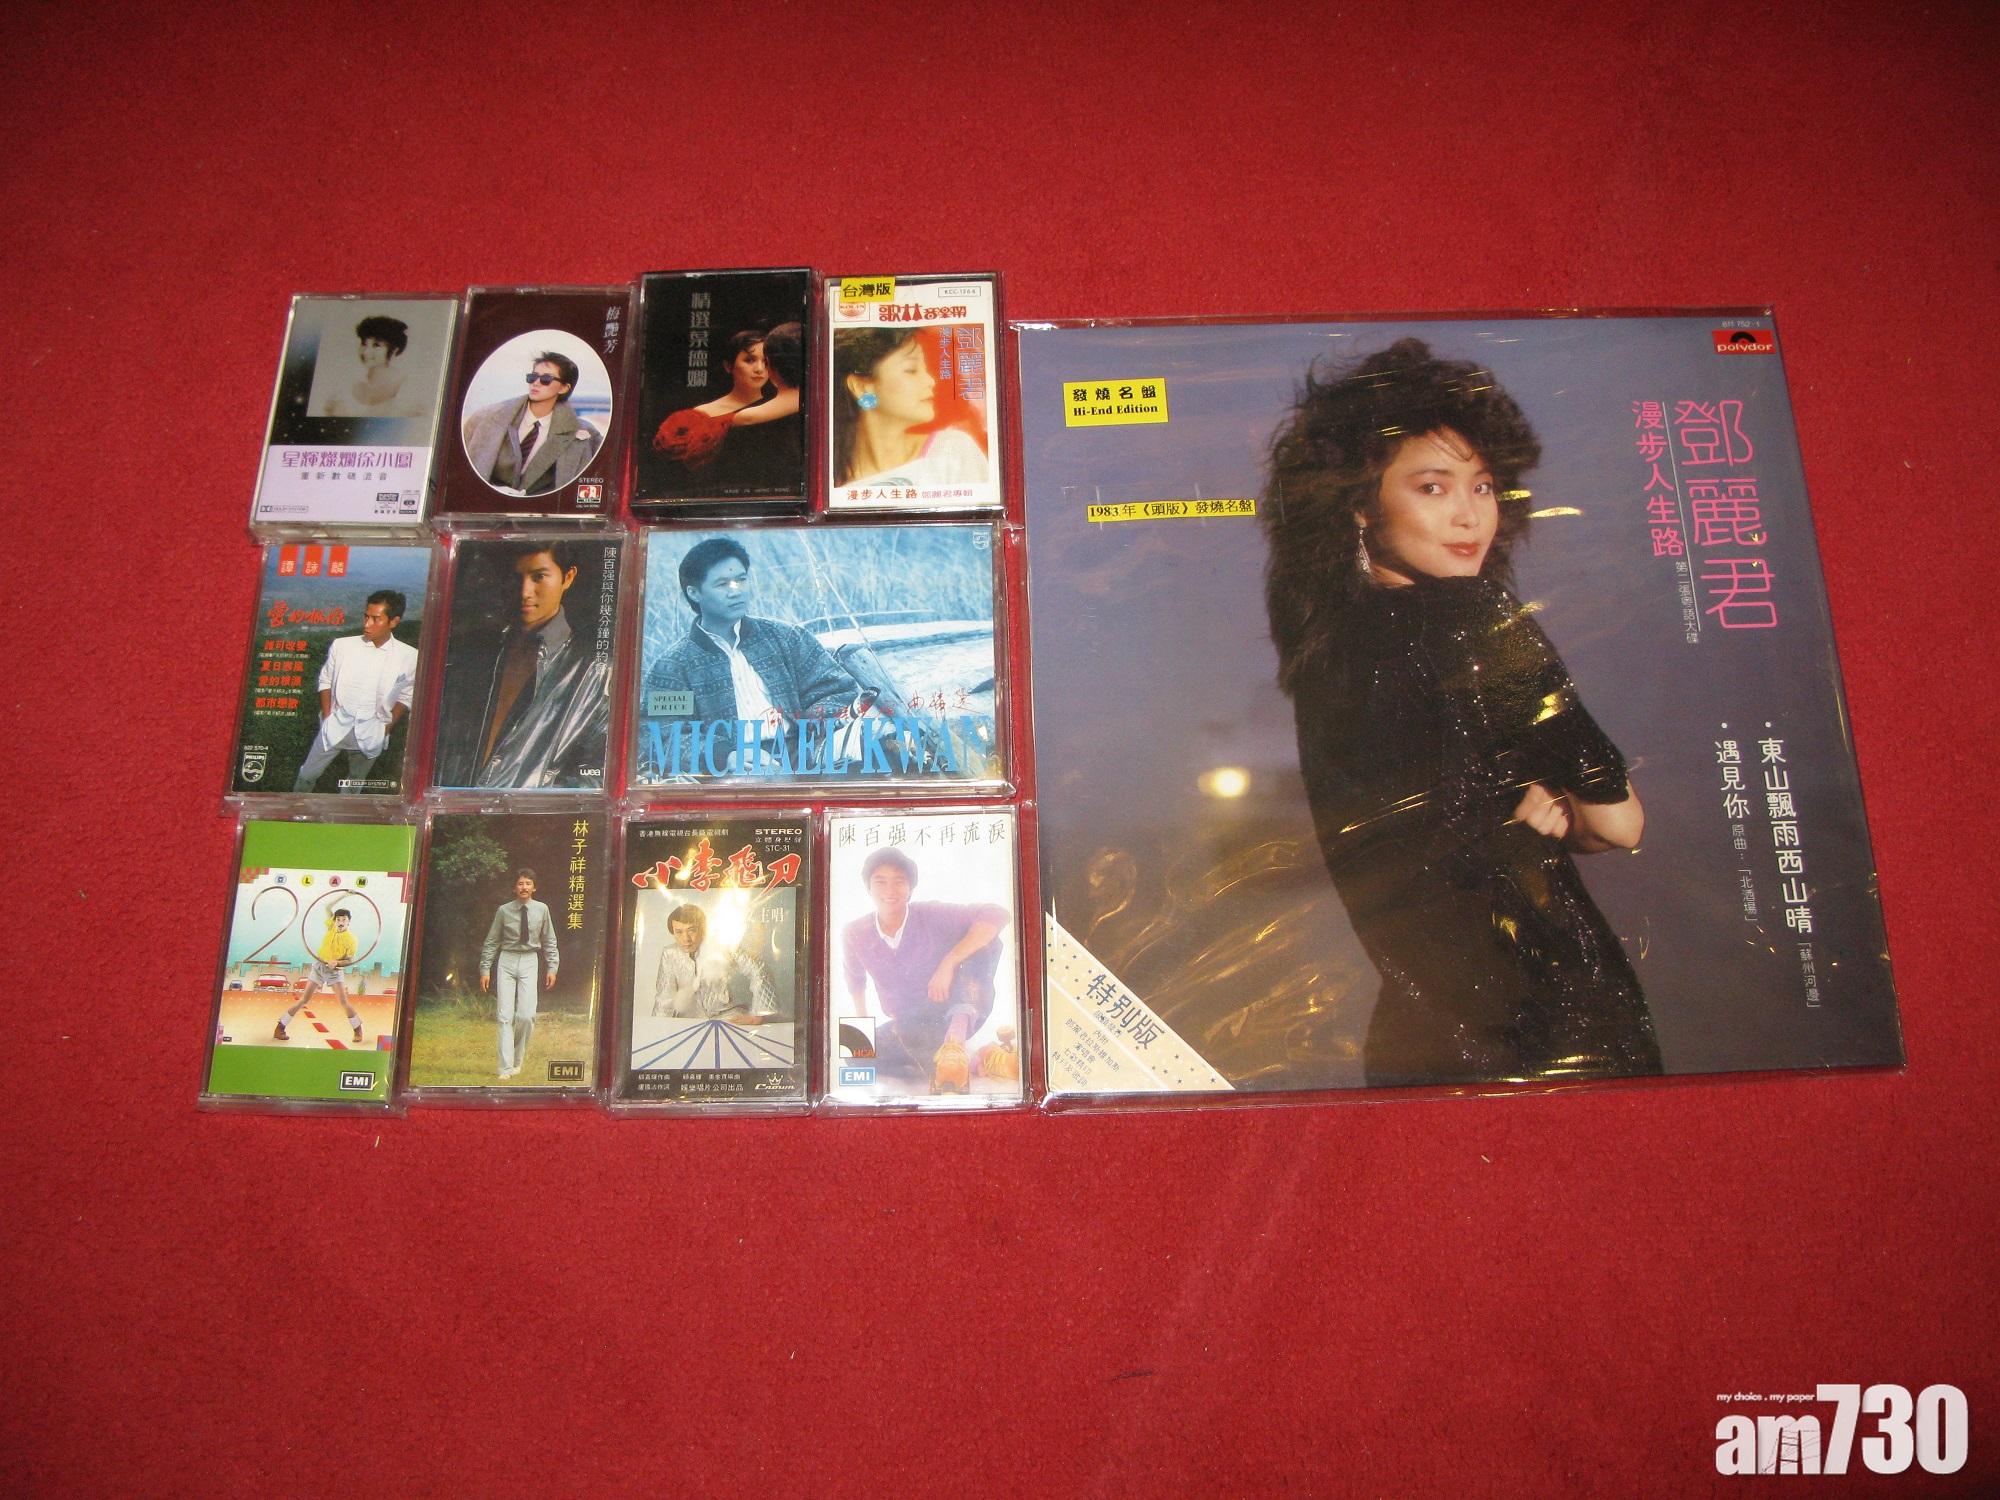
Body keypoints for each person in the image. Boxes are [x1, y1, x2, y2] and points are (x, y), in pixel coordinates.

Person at [1262, 337, 1661, 1086]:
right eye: (1433, 488)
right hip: (1550, 1019)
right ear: (1359, 503)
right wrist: (1559, 804)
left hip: (1418, 1038)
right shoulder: (1475, 619)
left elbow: (1431, 822)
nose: (1469, 515)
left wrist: (1522, 794)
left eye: (1482, 487)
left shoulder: (1325, 656)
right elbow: (1620, 823)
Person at [642, 536, 860, 774]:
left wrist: (814, 728)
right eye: (722, 584)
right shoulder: (673, 666)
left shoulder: (786, 637)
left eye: (741, 579)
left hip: (807, 750)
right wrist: (725, 755)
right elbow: (664, 734)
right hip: (736, 768)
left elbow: (835, 687)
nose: (736, 591)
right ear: (694, 593)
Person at [443, 540, 611, 789]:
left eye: (539, 576)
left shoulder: (597, 670)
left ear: (568, 577)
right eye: (515, 577)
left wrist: (529, 803)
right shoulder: (475, 654)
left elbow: (597, 776)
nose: (525, 592)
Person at [840, 847, 1009, 1093]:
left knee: (986, 940)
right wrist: (863, 1040)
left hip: (957, 1006)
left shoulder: (929, 914)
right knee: (853, 1053)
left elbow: (996, 913)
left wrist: (948, 962)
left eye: (899, 881)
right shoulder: (855, 932)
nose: (890, 890)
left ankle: (954, 1043)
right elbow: (855, 982)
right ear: (868, 888)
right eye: (880, 882)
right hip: (912, 1021)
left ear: (910, 888)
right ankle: (976, 1061)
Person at [831, 328, 986, 492]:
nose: (930, 381)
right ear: (861, 387)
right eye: (911, 370)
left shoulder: (952, 452)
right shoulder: (829, 481)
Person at [293, 589, 417, 792]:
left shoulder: (409, 656)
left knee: (354, 783)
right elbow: (325, 680)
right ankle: (294, 806)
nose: (367, 624)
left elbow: (406, 695)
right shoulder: (342, 646)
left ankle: (344, 812)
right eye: (366, 616)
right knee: (307, 774)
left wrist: (385, 728)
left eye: (376, 619)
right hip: (335, 725)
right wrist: (327, 716)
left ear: (394, 622)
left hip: (372, 732)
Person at [461, 350, 603, 496]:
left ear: (564, 388)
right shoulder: (486, 419)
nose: (536, 383)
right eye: (532, 377)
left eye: (546, 379)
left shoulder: (586, 434)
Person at [651, 330, 773, 477]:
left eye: (766, 362)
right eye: (749, 360)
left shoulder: (779, 407)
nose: (759, 369)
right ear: (728, 366)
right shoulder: (702, 413)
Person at [479, 868, 559, 1080]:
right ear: (514, 888)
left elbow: (549, 940)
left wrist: (552, 967)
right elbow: (492, 941)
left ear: (534, 887)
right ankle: (505, 1067)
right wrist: (485, 968)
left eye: (528, 883)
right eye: (520, 883)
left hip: (530, 960)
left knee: (526, 1015)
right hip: (507, 959)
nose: (524, 887)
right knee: (505, 1016)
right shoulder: (504, 911)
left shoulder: (542, 909)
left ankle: (516, 1060)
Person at [650, 901, 780, 1022]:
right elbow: (665, 997)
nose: (686, 939)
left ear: (702, 928)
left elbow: (758, 969)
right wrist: (658, 1028)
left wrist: (760, 1014)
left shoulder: (725, 946)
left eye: (691, 930)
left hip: (728, 1016)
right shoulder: (670, 953)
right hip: (689, 1021)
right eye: (679, 932)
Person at [275, 907, 364, 1045]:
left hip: (335, 971)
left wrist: (337, 963)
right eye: (338, 919)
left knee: (343, 1002)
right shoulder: (331, 928)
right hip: (319, 967)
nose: (340, 922)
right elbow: (328, 907)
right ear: (334, 921)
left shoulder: (351, 940)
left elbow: (350, 960)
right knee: (304, 1000)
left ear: (348, 922)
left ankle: (357, 1030)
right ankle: (280, 1027)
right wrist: (344, 895)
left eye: (344, 920)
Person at [322, 315, 417, 417]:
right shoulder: (346, 386)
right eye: (364, 343)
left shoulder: (406, 388)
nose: (366, 352)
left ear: (394, 350)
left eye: (376, 345)